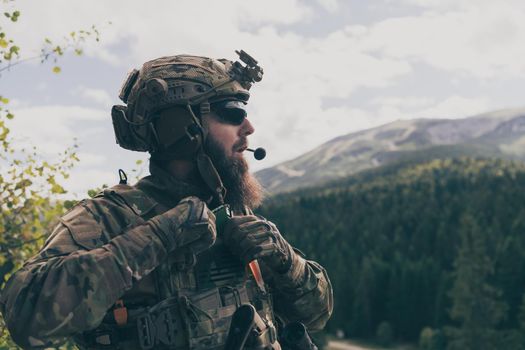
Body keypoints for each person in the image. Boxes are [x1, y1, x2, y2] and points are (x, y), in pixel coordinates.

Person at [0, 50, 333, 349]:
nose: (248, 127)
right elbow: (25, 315)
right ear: (182, 125)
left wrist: (285, 259)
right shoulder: (109, 217)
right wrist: (158, 236)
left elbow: (318, 314)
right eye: (233, 112)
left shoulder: (236, 213)